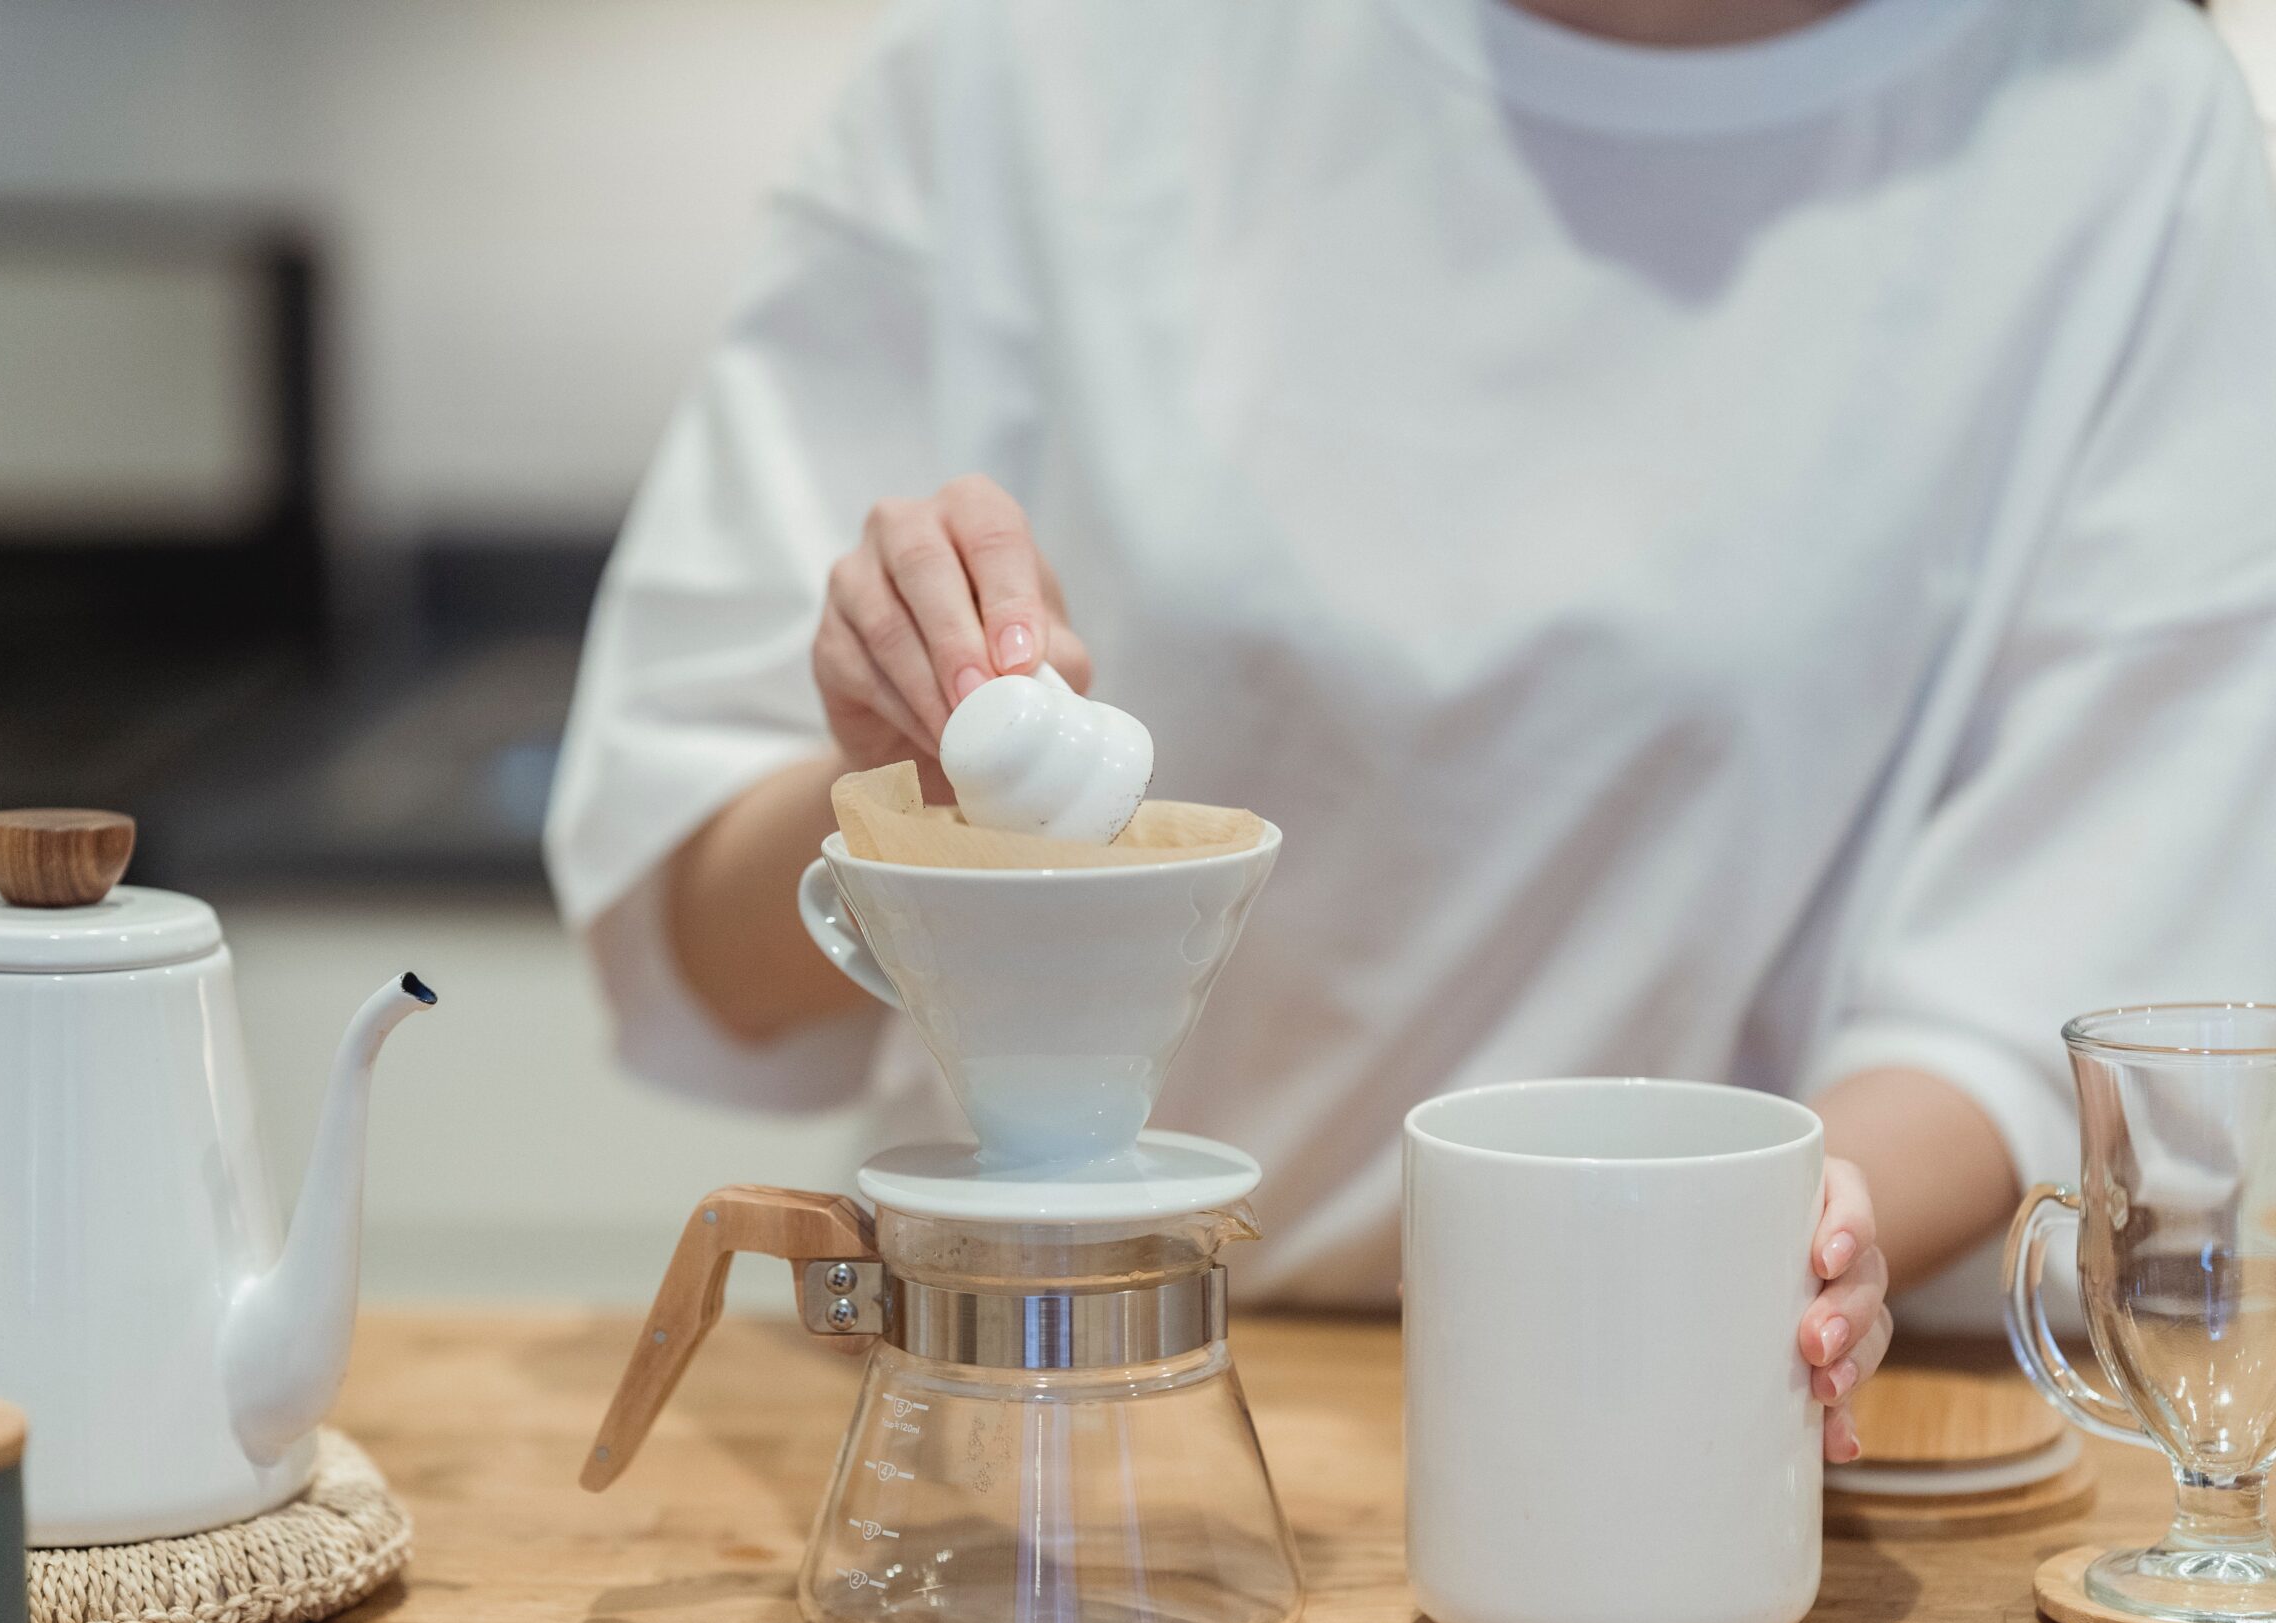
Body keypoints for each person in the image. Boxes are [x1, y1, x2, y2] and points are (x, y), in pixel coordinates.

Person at [548, 0, 2276, 1465]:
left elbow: (2045, 985)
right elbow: (693, 938)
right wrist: (910, 816)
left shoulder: (2127, 132)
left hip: (1712, 1422)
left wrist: (1786, 1233)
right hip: (1046, 1422)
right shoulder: (1047, 63)